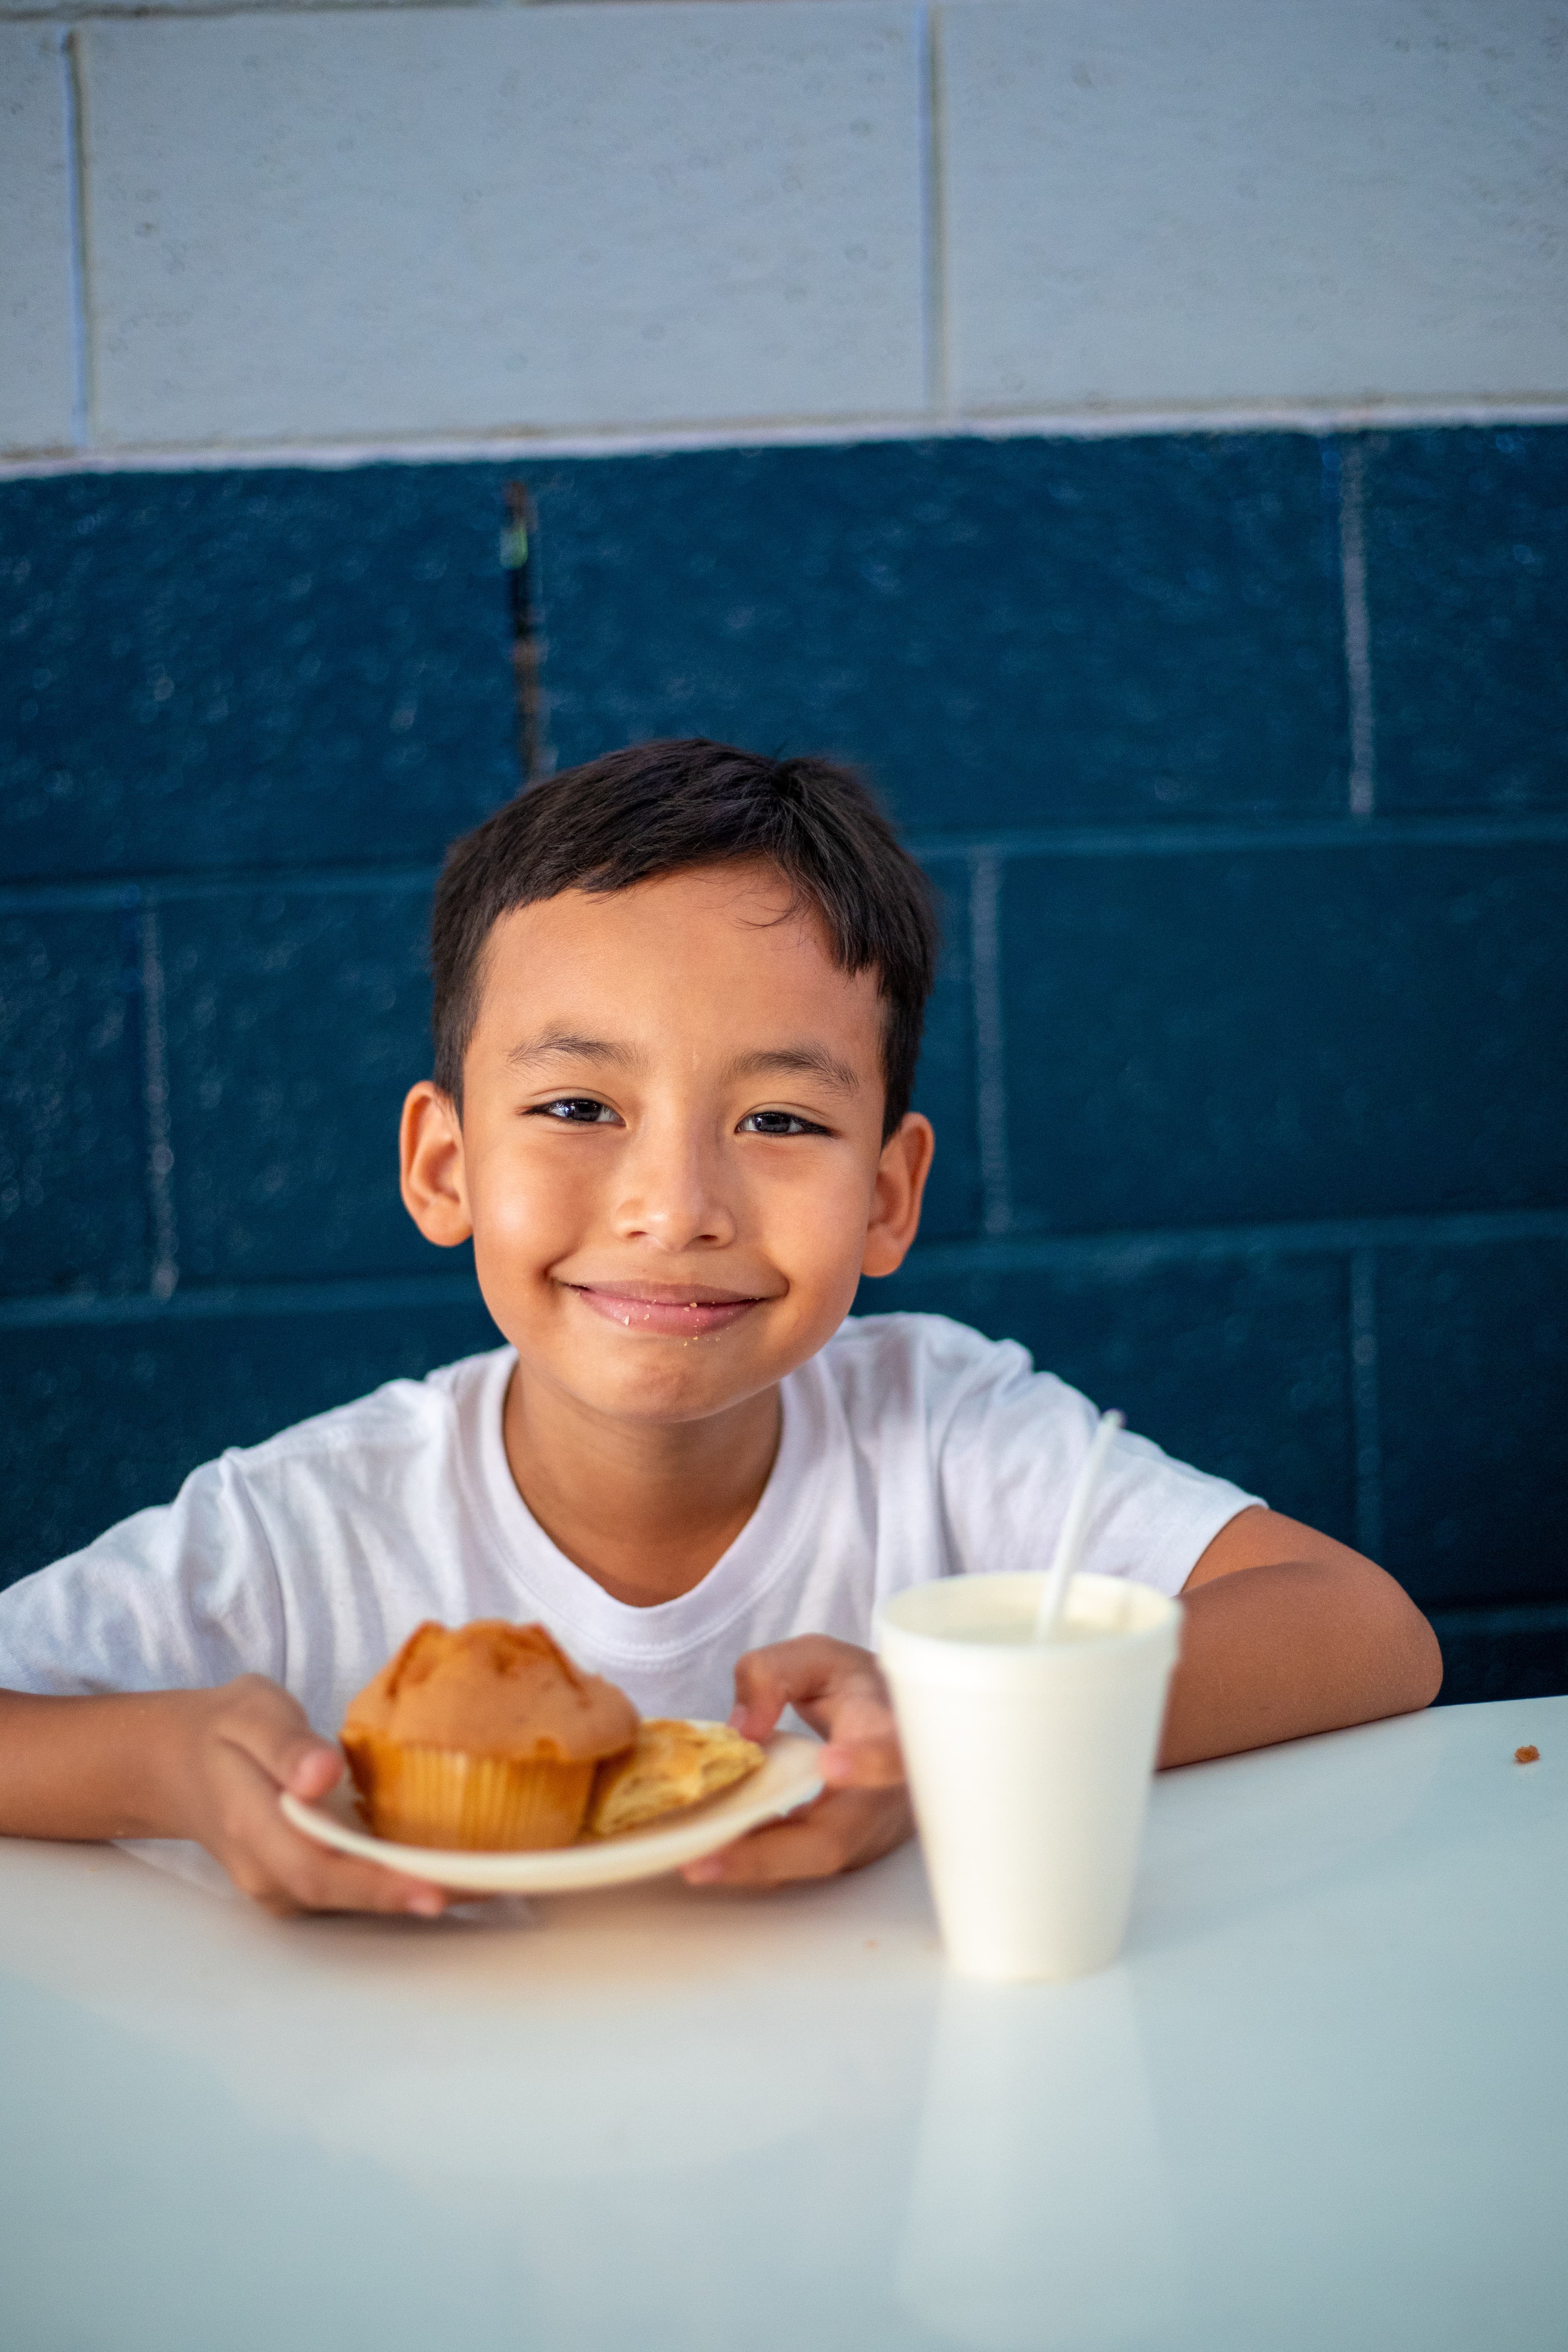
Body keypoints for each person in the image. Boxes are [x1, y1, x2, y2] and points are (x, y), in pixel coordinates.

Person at [0, 740, 1442, 1915]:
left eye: (778, 1120)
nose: (674, 1204)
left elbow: (1368, 1634)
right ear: (445, 1166)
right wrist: (155, 1764)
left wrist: (950, 1740)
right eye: (577, 1107)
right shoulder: (302, 1527)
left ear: (888, 1197)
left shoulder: (942, 1423)